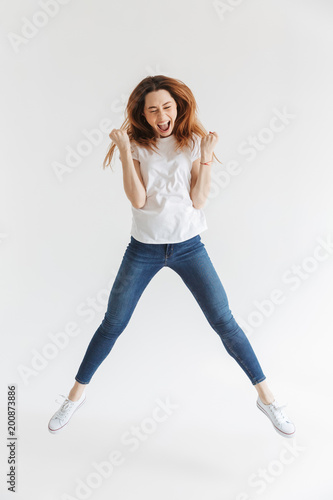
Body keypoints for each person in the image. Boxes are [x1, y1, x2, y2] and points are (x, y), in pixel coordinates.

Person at [48, 75, 295, 438]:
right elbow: (137, 199)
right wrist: (122, 152)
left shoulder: (193, 142)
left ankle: (268, 399)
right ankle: (75, 396)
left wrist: (207, 159)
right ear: (143, 114)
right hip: (144, 250)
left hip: (189, 247)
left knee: (224, 322)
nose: (161, 114)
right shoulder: (134, 144)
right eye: (153, 110)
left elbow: (198, 200)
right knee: (113, 324)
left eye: (167, 106)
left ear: (178, 106)